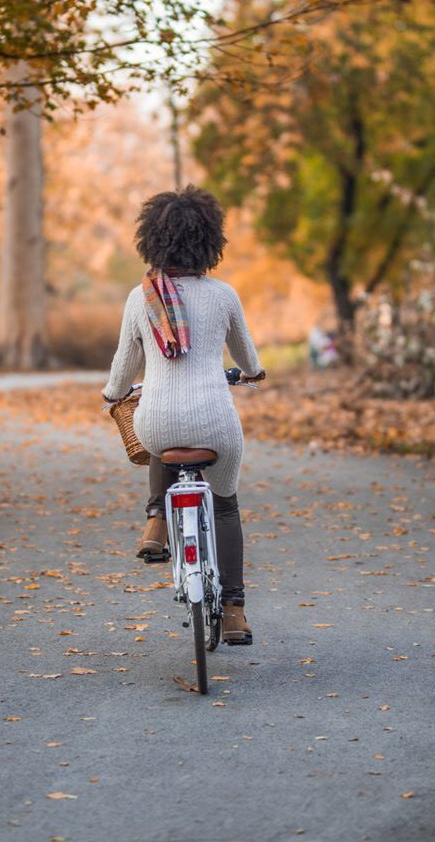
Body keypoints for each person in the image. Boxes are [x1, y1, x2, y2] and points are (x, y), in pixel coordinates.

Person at [101, 186, 266, 645]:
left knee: (157, 435)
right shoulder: (223, 296)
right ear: (211, 242)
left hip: (156, 421)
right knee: (226, 504)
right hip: (216, 422)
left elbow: (123, 369)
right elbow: (248, 358)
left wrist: (112, 393)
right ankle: (233, 611)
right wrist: (253, 372)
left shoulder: (141, 298)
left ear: (151, 240)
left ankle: (156, 518)